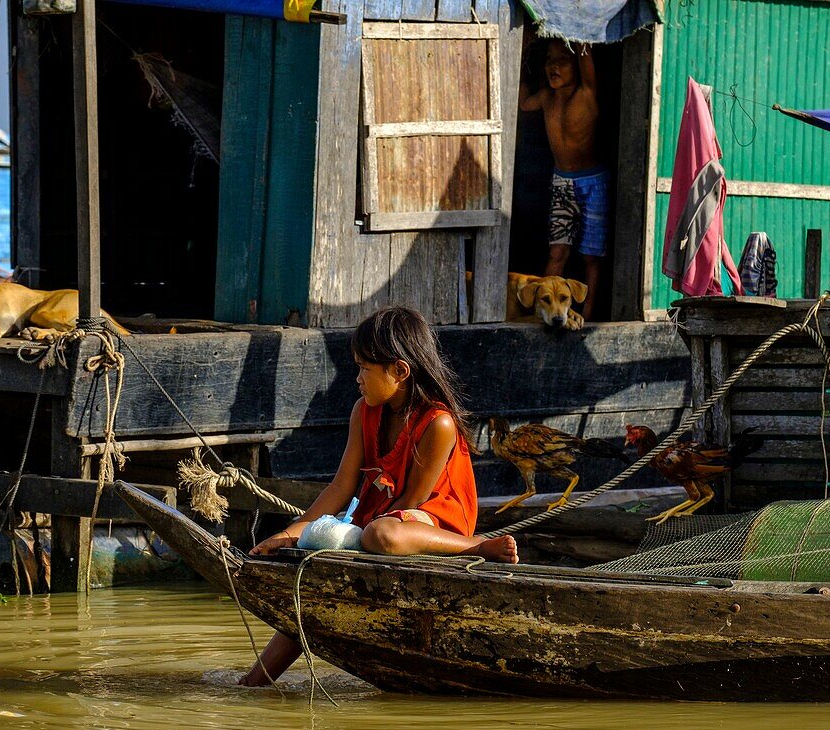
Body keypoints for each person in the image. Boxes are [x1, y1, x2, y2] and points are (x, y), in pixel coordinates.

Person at [237, 306, 518, 687]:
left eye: (364, 369)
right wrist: (293, 534)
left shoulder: (438, 423)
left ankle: (476, 548)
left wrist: (353, 536)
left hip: (430, 523)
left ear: (400, 371)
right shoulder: (364, 412)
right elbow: (340, 488)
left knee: (381, 536)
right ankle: (254, 683)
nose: (356, 379)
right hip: (382, 516)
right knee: (313, 579)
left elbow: (411, 503)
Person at [519, 34, 607, 322]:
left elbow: (584, 47)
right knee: (557, 252)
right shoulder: (545, 98)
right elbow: (521, 103)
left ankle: (588, 317)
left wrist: (579, 30)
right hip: (561, 183)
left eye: (562, 61)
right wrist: (523, 52)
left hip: (594, 183)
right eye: (549, 61)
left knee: (591, 257)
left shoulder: (586, 93)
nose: (553, 67)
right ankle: (544, 315)